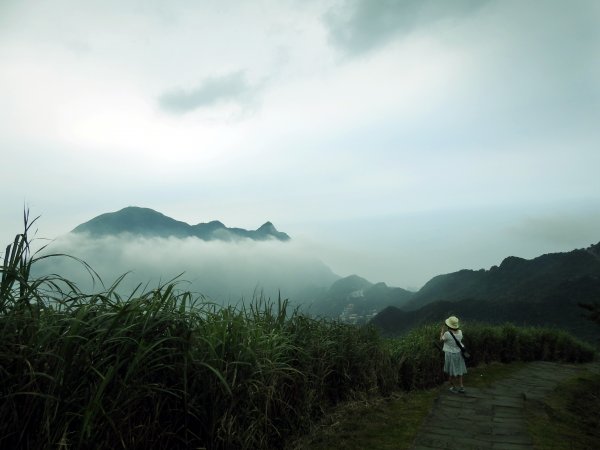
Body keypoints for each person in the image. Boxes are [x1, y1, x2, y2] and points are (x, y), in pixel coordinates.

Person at [440, 315, 467, 393]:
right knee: (459, 370)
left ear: (449, 325)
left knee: (451, 372)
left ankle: (453, 387)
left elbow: (441, 340)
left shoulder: (447, 334)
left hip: (450, 355)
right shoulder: (460, 332)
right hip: (459, 354)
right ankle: (461, 387)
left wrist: (442, 332)